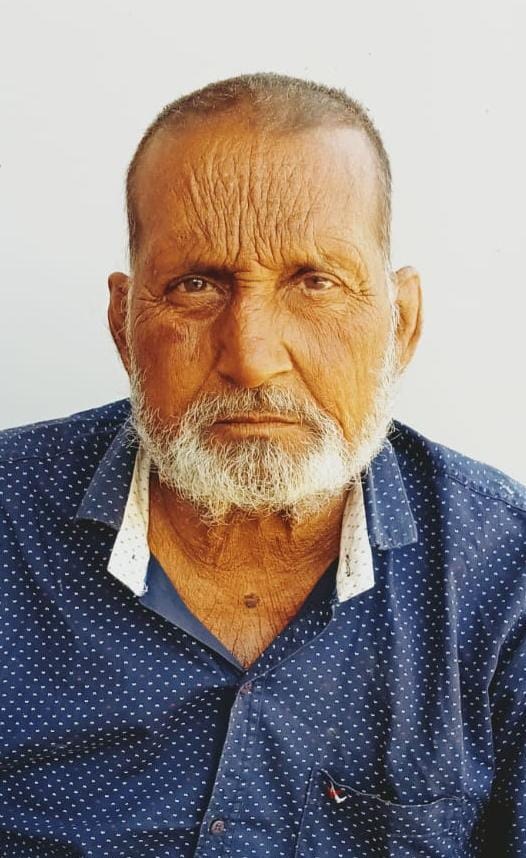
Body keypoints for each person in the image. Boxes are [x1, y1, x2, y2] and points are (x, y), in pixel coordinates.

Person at [0, 73, 524, 857]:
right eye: (196, 285)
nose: (250, 357)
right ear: (122, 324)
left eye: (315, 283)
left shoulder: (503, 579)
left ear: (402, 323)